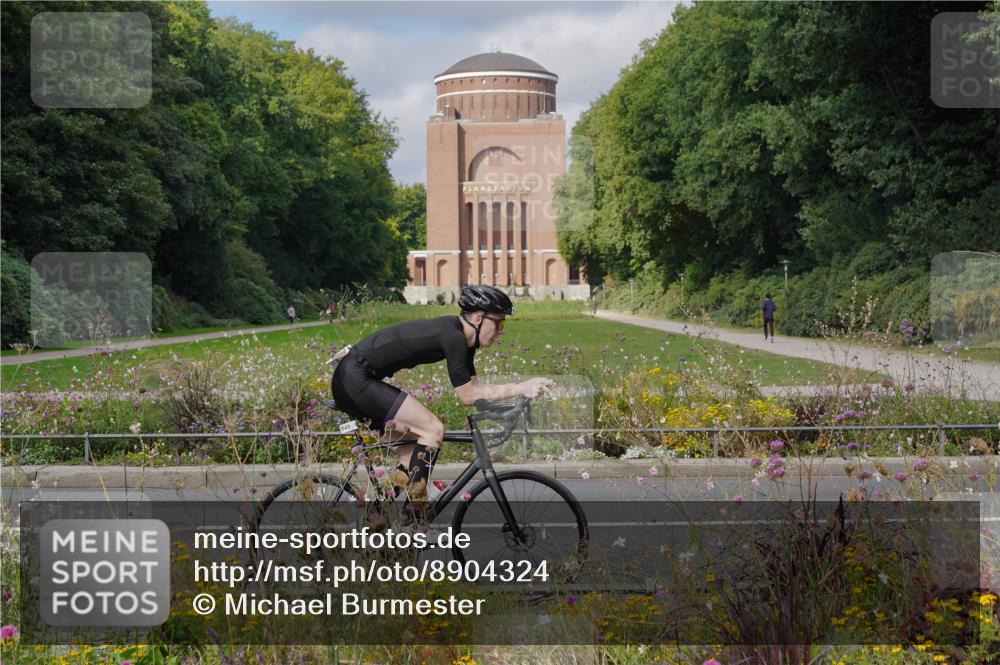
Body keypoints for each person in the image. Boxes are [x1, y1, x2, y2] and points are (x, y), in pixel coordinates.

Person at [330, 285, 553, 515]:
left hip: (353, 378)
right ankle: (415, 515)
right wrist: (521, 387)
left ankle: (378, 518)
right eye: (499, 323)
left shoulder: (463, 339)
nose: (501, 331)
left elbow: (475, 391)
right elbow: (467, 395)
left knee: (411, 457)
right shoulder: (454, 337)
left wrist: (506, 406)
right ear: (478, 319)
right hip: (355, 379)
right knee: (433, 430)